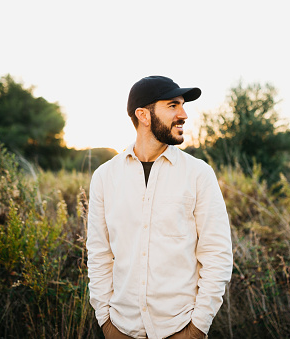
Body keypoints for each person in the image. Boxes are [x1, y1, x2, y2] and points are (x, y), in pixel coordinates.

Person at [87, 75, 233, 339]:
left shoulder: (199, 174)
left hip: (179, 327)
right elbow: (99, 254)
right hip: (122, 328)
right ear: (143, 115)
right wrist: (106, 323)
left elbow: (217, 254)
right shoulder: (104, 177)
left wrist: (197, 328)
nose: (184, 114)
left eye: (183, 105)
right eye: (173, 105)